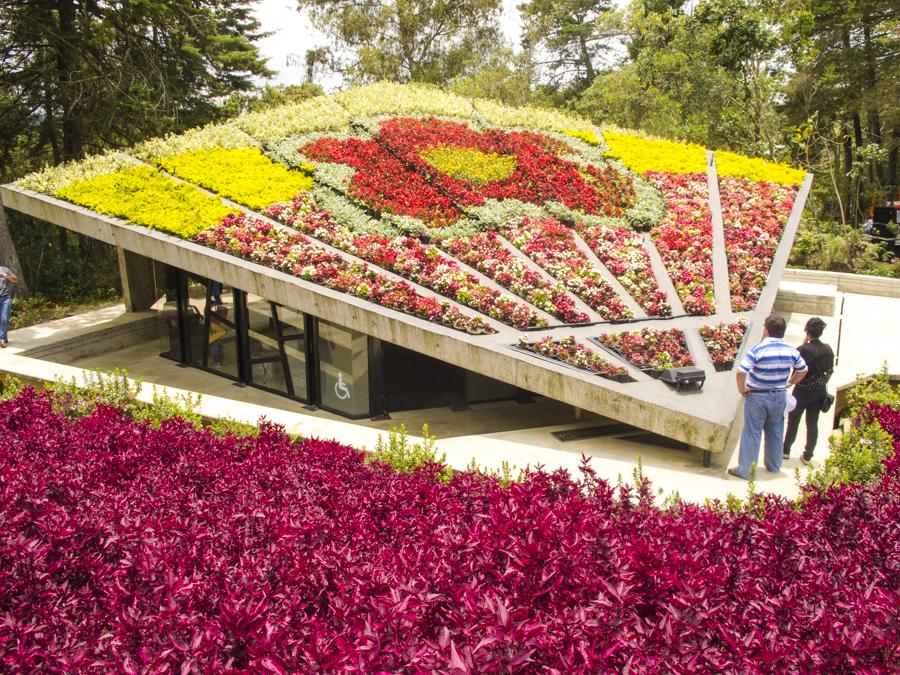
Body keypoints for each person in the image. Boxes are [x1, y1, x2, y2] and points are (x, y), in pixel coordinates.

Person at [729, 314, 808, 480]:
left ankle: (746, 470)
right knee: (776, 432)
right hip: (779, 396)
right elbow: (803, 369)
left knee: (752, 432)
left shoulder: (758, 349)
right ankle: (773, 466)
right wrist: (790, 382)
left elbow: (741, 371)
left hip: (757, 396)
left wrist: (742, 389)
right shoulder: (791, 350)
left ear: (766, 330)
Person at [783, 317, 835, 465]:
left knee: (793, 421)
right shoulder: (828, 349)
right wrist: (822, 382)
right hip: (819, 392)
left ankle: (786, 450)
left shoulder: (802, 349)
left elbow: (795, 369)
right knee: (812, 423)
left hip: (801, 390)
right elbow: (830, 371)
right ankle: (808, 455)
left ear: (807, 331)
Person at [0, 266, 21, 348]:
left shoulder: (4, 269)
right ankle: (4, 337)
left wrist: (7, 276)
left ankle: (1, 339)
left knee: (4, 318)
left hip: (5, 298)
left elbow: (16, 280)